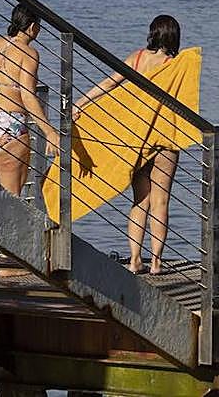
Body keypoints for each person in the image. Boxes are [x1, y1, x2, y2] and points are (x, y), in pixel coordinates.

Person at [75, 15, 182, 275]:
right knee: (161, 201)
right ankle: (156, 262)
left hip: (137, 139)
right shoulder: (177, 65)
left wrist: (81, 103)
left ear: (152, 34)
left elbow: (109, 83)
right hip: (165, 140)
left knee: (140, 200)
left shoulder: (136, 59)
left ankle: (135, 259)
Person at [0, 2, 60, 276]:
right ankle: (7, 262)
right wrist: (49, 130)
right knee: (11, 198)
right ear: (31, 27)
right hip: (9, 126)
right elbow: (27, 94)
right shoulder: (29, 53)